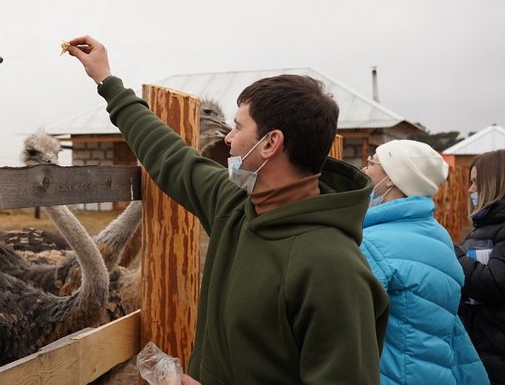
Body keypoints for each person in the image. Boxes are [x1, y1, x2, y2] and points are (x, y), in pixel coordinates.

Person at [66, 36, 389, 384]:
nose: (228, 139)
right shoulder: (237, 206)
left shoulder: (333, 270)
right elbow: (170, 155)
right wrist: (107, 81)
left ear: (270, 143)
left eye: (238, 126)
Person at [361, 140, 488, 384]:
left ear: (391, 179)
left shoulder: (374, 242)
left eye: (372, 162)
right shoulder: (439, 235)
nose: (365, 170)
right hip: (437, 373)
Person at [456, 149, 505, 383]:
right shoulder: (484, 226)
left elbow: (495, 282)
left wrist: (454, 256)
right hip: (485, 348)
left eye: (476, 182)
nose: (470, 190)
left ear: (495, 183)